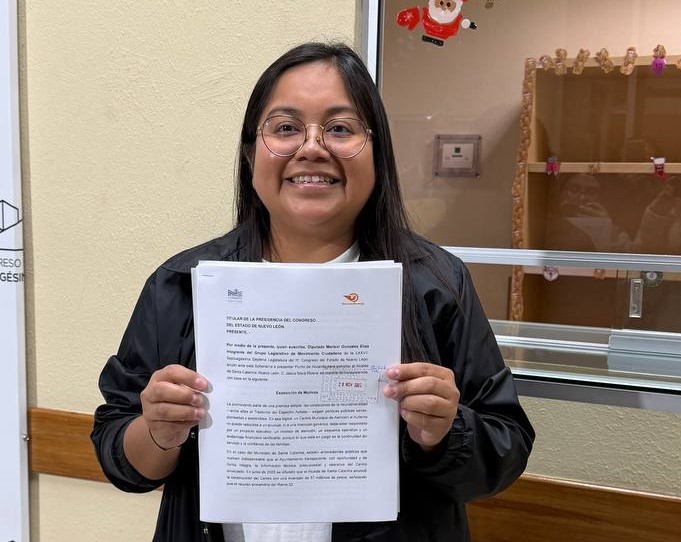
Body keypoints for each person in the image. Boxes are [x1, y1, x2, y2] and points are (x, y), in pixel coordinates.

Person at [91, 42, 534, 542]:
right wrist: (158, 433)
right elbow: (119, 454)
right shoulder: (181, 284)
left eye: (340, 128)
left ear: (377, 153)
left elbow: (506, 448)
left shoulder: (436, 283)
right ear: (250, 154)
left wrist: (442, 432)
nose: (312, 147)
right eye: (285, 128)